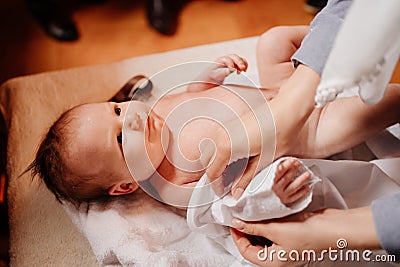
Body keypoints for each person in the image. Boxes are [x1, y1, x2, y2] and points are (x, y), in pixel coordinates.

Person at [205, 1, 400, 265]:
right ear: (127, 186)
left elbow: (197, 93)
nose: (131, 123)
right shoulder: (162, 180)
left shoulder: (162, 105)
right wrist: (270, 194)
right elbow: (220, 200)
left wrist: (206, 78)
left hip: (278, 95)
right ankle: (353, 46)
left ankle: (348, 45)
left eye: (125, 112)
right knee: (389, 102)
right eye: (125, 141)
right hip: (308, 133)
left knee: (272, 41)